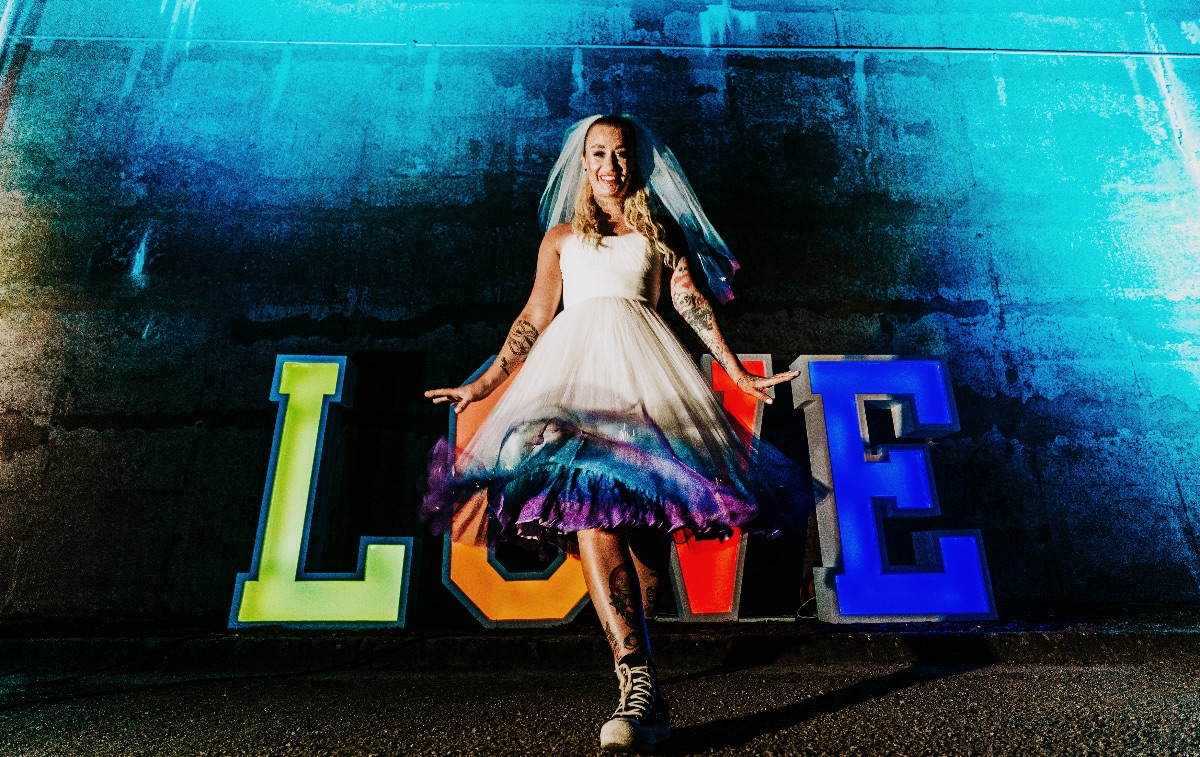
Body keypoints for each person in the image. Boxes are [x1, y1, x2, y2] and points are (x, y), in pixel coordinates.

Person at [423, 115, 810, 752]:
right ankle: (635, 679)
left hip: (646, 385)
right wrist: (485, 385)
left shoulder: (659, 232)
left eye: (621, 153)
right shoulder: (561, 239)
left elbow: (691, 303)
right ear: (583, 163)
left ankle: (645, 684)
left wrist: (736, 371)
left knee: (647, 539)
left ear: (637, 161)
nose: (610, 165)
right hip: (575, 388)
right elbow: (534, 317)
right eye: (598, 153)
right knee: (589, 511)